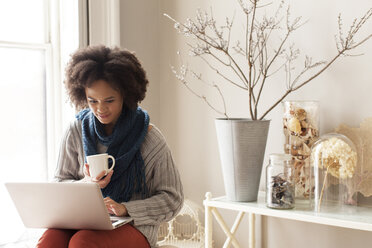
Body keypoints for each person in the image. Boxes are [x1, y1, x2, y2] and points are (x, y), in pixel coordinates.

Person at [36, 45, 184, 248]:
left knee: (83, 242)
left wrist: (125, 209)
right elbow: (59, 183)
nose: (100, 108)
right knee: (50, 239)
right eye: (92, 100)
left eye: (109, 100)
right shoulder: (76, 130)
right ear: (82, 95)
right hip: (82, 220)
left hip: (133, 226)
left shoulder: (150, 139)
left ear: (126, 94)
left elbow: (172, 199)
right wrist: (86, 184)